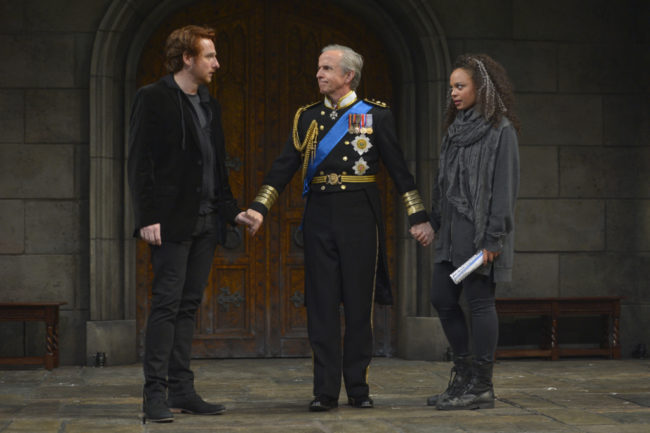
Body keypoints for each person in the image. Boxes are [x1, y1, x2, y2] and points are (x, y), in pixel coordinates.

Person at [245, 44, 434, 412]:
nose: (319, 74)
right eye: (319, 67)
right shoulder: (307, 117)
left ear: (348, 76)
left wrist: (418, 216)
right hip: (319, 217)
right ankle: (325, 391)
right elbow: (285, 165)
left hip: (360, 217)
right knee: (322, 306)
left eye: (327, 68)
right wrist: (260, 207)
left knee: (359, 307)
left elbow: (398, 169)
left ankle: (359, 389)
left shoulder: (376, 116)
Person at [127, 25, 253, 423]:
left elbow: (217, 165)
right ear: (187, 58)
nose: (217, 63)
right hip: (170, 222)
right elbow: (138, 162)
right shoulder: (153, 98)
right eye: (210, 56)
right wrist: (147, 217)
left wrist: (232, 210)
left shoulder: (208, 104)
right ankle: (154, 395)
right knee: (165, 305)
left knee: (188, 306)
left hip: (206, 222)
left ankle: (183, 390)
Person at [421, 54, 520, 410]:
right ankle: (462, 376)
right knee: (442, 297)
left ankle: (481, 385)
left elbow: (504, 189)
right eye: (451, 88)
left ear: (482, 87)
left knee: (479, 302)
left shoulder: (500, 131)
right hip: (451, 232)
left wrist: (494, 237)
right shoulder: (455, 132)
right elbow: (443, 183)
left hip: (480, 236)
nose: (454, 94)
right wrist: (433, 220)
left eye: (460, 86)